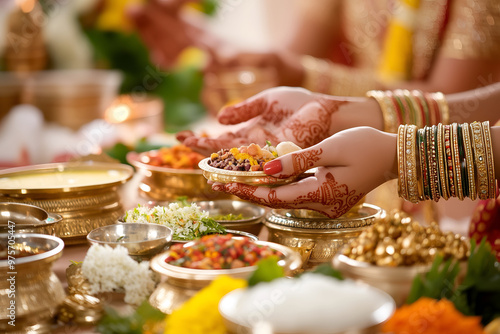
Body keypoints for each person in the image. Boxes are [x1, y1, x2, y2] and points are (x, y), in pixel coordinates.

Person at [129, 0, 500, 110]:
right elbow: (283, 61)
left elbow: (454, 106)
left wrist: (306, 78)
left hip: (450, 177)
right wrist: (208, 44)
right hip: (359, 154)